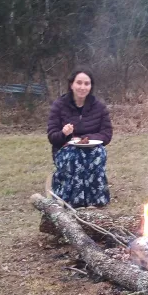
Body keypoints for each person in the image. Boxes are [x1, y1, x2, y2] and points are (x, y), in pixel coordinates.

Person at [46, 69, 113, 207]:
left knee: (98, 153)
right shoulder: (59, 106)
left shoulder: (99, 107)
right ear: (71, 85)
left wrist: (86, 139)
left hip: (92, 148)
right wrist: (64, 134)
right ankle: (71, 200)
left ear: (91, 86)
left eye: (87, 84)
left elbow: (107, 134)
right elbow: (52, 137)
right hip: (65, 149)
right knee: (75, 156)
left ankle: (96, 200)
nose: (83, 87)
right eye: (79, 83)